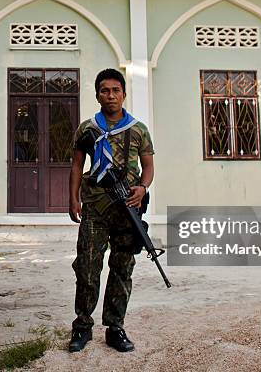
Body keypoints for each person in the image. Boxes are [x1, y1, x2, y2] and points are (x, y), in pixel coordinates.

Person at [67, 68, 154, 352]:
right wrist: (73, 198)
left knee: (121, 267)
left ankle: (115, 328)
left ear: (124, 94)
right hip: (94, 207)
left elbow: (149, 166)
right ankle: (82, 327)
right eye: (105, 90)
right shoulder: (87, 128)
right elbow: (78, 165)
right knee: (88, 266)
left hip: (127, 209)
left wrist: (142, 188)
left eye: (116, 90)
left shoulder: (138, 129)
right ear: (97, 95)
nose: (111, 95)